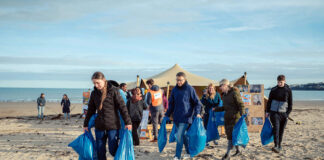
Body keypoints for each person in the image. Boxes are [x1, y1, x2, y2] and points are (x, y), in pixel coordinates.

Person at [83, 72, 132, 159]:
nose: (96, 85)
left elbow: (122, 107)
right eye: (94, 83)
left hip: (113, 126)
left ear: (104, 80)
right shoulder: (94, 93)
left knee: (113, 149)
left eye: (98, 83)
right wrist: (85, 124)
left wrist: (128, 122)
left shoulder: (114, 91)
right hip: (99, 126)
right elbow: (90, 110)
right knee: (100, 151)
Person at [164, 72, 202, 160]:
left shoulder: (190, 89)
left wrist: (197, 113)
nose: (179, 82)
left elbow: (197, 103)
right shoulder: (174, 90)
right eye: (177, 80)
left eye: (180, 80)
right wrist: (167, 114)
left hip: (186, 117)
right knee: (183, 135)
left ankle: (177, 156)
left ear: (184, 79)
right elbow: (171, 104)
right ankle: (189, 152)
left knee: (179, 136)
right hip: (176, 117)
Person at [213, 79, 245, 160]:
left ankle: (228, 154)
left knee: (230, 136)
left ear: (226, 85)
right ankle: (238, 150)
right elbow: (225, 107)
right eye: (219, 86)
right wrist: (216, 109)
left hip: (235, 118)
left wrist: (243, 114)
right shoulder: (224, 95)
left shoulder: (234, 93)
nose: (220, 88)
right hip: (227, 118)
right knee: (231, 135)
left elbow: (241, 104)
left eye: (221, 86)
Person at [266, 75, 292, 153]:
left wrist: (287, 114)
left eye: (281, 82)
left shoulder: (288, 90)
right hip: (274, 113)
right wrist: (267, 111)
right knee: (276, 129)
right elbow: (269, 101)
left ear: (284, 81)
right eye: (278, 82)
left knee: (281, 130)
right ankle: (276, 145)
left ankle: (279, 145)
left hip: (283, 114)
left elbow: (290, 104)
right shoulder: (274, 90)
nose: (279, 83)